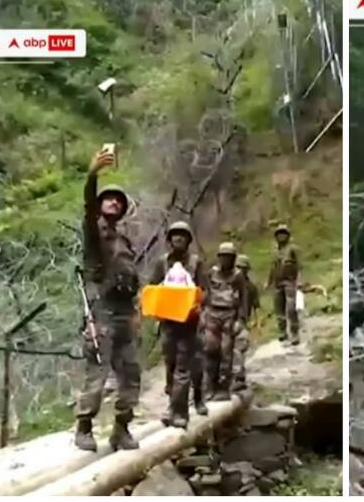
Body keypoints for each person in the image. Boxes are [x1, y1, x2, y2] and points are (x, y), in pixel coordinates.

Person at [74, 148, 141, 452]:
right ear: (101, 206)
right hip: (101, 311)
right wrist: (92, 176)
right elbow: (88, 208)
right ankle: (84, 427)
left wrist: (136, 310)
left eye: (119, 200)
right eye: (108, 198)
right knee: (98, 372)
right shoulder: (94, 233)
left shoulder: (124, 240)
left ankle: (121, 429)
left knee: (130, 373)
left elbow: (131, 277)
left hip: (125, 312)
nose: (114, 201)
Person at [149, 221, 208, 428]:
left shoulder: (196, 263)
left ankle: (180, 412)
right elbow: (152, 288)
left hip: (189, 324)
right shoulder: (161, 263)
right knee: (170, 367)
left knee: (184, 368)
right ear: (169, 239)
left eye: (183, 235)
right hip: (168, 324)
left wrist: (197, 304)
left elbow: (205, 290)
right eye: (175, 235)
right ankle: (173, 406)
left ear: (188, 240)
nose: (178, 239)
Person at [203, 242, 247, 400]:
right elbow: (205, 293)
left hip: (229, 314)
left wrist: (240, 320)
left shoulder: (238, 275)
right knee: (210, 349)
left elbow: (243, 299)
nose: (225, 260)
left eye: (229, 257)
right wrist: (202, 313)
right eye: (223, 257)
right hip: (212, 313)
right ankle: (209, 386)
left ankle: (223, 388)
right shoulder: (211, 273)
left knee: (226, 352)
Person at [267, 224, 301, 345]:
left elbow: (299, 266)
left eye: (283, 234)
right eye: (279, 234)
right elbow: (272, 268)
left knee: (291, 308)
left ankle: (294, 332)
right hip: (277, 283)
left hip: (290, 282)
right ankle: (282, 331)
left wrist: (299, 281)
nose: (281, 236)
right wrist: (269, 282)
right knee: (278, 309)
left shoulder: (292, 249)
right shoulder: (275, 251)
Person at [232, 254, 260, 391]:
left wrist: (257, 323)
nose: (240, 271)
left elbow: (256, 306)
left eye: (243, 268)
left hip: (242, 322)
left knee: (238, 350)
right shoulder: (226, 283)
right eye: (238, 267)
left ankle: (239, 378)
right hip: (224, 320)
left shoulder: (251, 287)